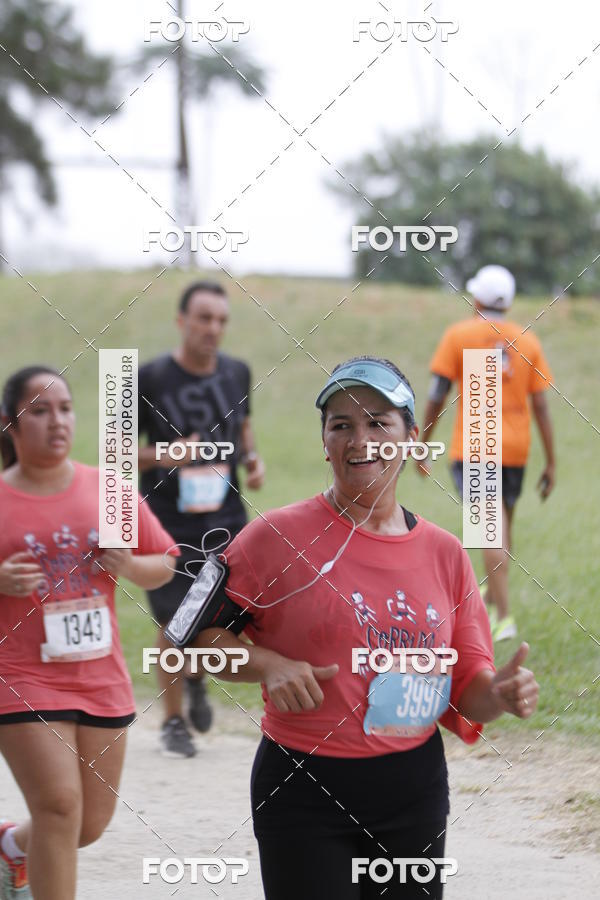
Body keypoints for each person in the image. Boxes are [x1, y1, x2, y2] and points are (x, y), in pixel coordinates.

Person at [186, 355, 539, 899]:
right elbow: (193, 639)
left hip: (413, 791)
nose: (360, 440)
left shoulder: (446, 555)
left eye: (379, 422)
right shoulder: (273, 537)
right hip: (303, 787)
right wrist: (267, 664)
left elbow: (470, 690)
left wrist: (501, 695)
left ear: (412, 439)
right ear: (324, 442)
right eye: (342, 424)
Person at [0, 366, 178, 900]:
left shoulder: (107, 491)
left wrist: (130, 565)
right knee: (59, 805)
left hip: (100, 677)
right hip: (21, 676)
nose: (57, 421)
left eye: (65, 409)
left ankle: (11, 849)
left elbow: (165, 562)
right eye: (39, 411)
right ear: (10, 423)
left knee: (85, 825)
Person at [138, 280, 265, 757]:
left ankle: (194, 675)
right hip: (164, 518)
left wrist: (253, 460)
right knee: (172, 617)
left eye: (221, 320)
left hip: (226, 515)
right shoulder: (150, 378)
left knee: (222, 613)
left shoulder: (237, 372)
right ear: (182, 321)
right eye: (204, 318)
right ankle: (173, 722)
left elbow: (244, 426)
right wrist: (163, 455)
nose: (213, 328)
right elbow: (115, 451)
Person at [418, 265, 556, 642]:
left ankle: (504, 618)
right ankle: (492, 602)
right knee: (501, 528)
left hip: (478, 442)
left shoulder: (459, 335)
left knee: (488, 532)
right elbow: (541, 405)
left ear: (476, 299)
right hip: (516, 448)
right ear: (508, 302)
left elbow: (437, 395)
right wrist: (551, 460)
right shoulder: (527, 341)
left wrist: (423, 442)